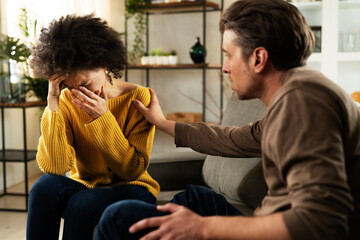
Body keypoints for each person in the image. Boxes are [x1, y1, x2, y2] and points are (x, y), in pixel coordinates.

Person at [94, 0, 360, 239]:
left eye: (228, 54)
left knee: (119, 217)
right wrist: (163, 123)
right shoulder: (300, 89)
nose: (224, 67)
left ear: (258, 58)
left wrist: (202, 228)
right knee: (197, 198)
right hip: (263, 221)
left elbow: (321, 221)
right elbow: (232, 139)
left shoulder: (301, 104)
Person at [26, 14, 160, 240]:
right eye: (70, 87)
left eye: (85, 84)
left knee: (82, 204)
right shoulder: (67, 100)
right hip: (87, 186)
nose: (79, 93)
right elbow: (55, 166)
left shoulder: (139, 98)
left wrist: (102, 118)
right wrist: (53, 105)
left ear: (104, 64)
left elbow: (132, 170)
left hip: (134, 188)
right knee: (43, 186)